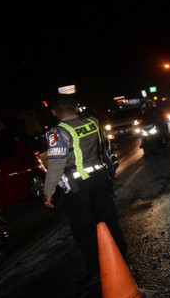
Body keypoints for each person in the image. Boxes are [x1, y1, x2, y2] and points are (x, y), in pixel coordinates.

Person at [42, 95, 127, 288]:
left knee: (83, 229)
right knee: (108, 219)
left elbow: (56, 164)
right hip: (100, 177)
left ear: (54, 112)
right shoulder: (92, 122)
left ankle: (96, 270)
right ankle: (121, 256)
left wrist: (48, 191)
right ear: (76, 108)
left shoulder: (58, 132)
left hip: (78, 184)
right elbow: (103, 147)